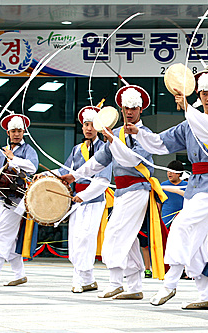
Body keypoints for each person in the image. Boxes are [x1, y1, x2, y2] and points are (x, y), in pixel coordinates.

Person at [130, 69, 208, 310]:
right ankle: (206, 294)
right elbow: (161, 143)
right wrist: (139, 132)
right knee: (195, 240)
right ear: (199, 94)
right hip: (195, 185)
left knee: (182, 226)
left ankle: (170, 283)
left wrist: (188, 108)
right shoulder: (189, 123)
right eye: (205, 93)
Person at [61, 85, 158, 300]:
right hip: (123, 191)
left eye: (133, 108)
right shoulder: (118, 133)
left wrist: (113, 141)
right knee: (129, 238)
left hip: (138, 188)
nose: (130, 112)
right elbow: (98, 161)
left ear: (140, 109)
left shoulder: (145, 134)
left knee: (115, 232)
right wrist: (74, 176)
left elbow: (133, 160)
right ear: (121, 110)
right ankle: (134, 286)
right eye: (126, 108)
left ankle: (116, 282)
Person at [45, 106, 113, 293]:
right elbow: (65, 171)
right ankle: (88, 279)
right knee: (75, 238)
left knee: (86, 237)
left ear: (98, 127)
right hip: (75, 199)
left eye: (92, 125)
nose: (89, 128)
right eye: (86, 124)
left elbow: (103, 181)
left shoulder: (105, 147)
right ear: (82, 127)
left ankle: (78, 278)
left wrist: (83, 196)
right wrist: (43, 174)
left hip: (93, 199)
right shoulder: (77, 149)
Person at [0, 114, 38, 286]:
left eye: (19, 131)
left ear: (24, 132)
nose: (16, 134)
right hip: (3, 198)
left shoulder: (28, 150)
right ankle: (19, 274)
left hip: (20, 198)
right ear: (8, 132)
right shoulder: (3, 151)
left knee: (4, 232)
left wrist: (14, 159)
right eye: (13, 131)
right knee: (10, 235)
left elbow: (32, 166)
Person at [160, 160, 187, 228]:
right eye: (168, 171)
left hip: (182, 220)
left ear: (179, 173)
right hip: (166, 220)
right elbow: (159, 203)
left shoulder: (187, 186)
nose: (169, 173)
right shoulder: (163, 185)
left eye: (172, 172)